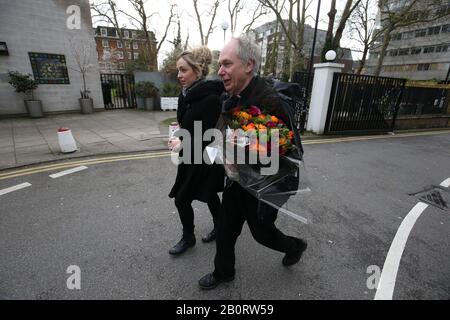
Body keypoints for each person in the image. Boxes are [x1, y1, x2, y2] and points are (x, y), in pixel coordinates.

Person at [198, 36, 308, 289]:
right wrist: (225, 156)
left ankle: (295, 246)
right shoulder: (231, 98)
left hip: (267, 184)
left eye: (227, 64)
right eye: (219, 65)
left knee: (262, 234)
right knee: (226, 229)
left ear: (248, 65)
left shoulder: (271, 101)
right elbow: (226, 136)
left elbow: (291, 153)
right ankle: (223, 272)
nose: (220, 71)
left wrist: (250, 152)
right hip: (238, 181)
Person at [168, 47, 225, 255]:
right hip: (189, 157)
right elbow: (189, 124)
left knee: (182, 198)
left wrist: (184, 143)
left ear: (197, 70)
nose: (179, 75)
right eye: (178, 71)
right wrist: (180, 132)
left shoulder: (211, 98)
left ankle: (188, 238)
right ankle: (218, 228)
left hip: (205, 158)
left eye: (183, 70)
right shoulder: (186, 96)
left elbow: (210, 136)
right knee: (209, 195)